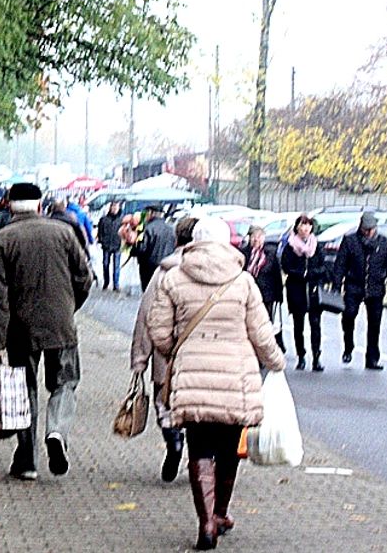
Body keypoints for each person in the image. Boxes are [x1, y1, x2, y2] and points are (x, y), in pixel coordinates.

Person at [147, 217, 285, 551]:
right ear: (227, 243)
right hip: (234, 379)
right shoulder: (243, 281)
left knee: (199, 448)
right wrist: (276, 363)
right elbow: (261, 332)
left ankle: (206, 522)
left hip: (193, 377)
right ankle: (221, 512)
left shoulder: (174, 278)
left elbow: (158, 331)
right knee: (228, 451)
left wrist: (178, 351)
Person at [0, 182, 92, 481]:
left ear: (9, 206)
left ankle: (27, 461)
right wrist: (69, 307)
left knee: (25, 391)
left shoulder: (1, 240)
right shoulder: (64, 233)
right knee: (65, 382)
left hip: (20, 329)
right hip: (61, 325)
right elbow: (84, 277)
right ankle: (56, 431)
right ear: (39, 205)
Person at [131, 215, 198, 483]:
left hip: (166, 354)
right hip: (204, 356)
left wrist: (140, 358)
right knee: (199, 406)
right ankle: (199, 457)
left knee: (165, 401)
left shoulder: (165, 273)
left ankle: (174, 441)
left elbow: (147, 315)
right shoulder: (223, 273)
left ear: (176, 239)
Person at [333, 211, 387, 370]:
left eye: (371, 229)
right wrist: (336, 285)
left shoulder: (384, 242)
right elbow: (340, 264)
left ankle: (372, 359)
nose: (369, 233)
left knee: (374, 324)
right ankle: (348, 346)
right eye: (366, 230)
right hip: (354, 285)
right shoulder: (350, 241)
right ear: (361, 227)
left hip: (375, 287)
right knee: (349, 315)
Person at [280, 214, 326, 371]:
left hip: (313, 290)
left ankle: (316, 357)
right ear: (297, 228)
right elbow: (286, 266)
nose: (305, 228)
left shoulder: (316, 245)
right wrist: (300, 274)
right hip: (296, 289)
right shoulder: (290, 246)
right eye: (302, 225)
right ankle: (301, 356)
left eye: (308, 225)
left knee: (315, 325)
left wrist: (313, 273)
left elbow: (323, 266)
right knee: (298, 325)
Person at [240, 225, 285, 355]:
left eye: (259, 237)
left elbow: (276, 275)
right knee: (248, 324)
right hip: (247, 294)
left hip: (266, 295)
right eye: (254, 236)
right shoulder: (243, 253)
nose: (256, 240)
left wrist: (279, 296)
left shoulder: (270, 253)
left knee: (265, 324)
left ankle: (264, 352)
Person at [133, 205, 175, 291]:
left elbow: (142, 248)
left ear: (151, 213)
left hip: (148, 266)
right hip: (166, 265)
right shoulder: (170, 229)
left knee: (148, 291)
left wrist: (134, 249)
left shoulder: (148, 228)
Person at [97, 202, 123, 291]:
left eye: (116, 207)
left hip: (117, 245)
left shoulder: (121, 220)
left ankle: (116, 284)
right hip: (106, 245)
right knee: (105, 264)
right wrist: (102, 241)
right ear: (110, 208)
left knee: (116, 266)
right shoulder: (104, 219)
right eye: (113, 207)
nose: (114, 209)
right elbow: (100, 231)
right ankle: (106, 282)